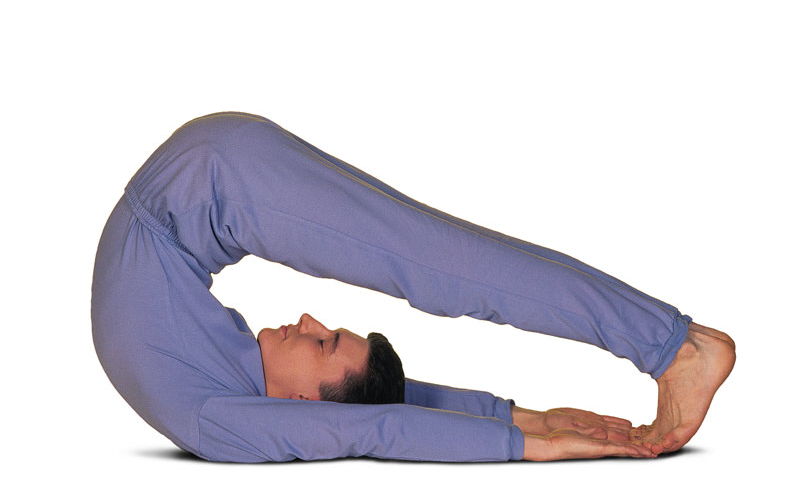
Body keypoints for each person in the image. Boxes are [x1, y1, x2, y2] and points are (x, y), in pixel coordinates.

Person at [91, 112, 734, 462]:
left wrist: (519, 436)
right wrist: (521, 426)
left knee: (445, 269)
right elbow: (373, 422)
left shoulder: (218, 420)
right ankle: (675, 345)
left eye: (321, 342)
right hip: (214, 180)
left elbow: (367, 423)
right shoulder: (228, 411)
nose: (310, 321)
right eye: (326, 342)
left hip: (215, 183)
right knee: (449, 271)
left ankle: (671, 344)